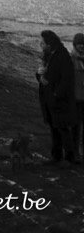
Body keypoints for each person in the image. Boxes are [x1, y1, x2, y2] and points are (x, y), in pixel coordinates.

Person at [37, 30, 79, 164]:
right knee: (54, 127)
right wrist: (39, 75)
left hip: (59, 99)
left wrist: (56, 95)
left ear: (49, 44)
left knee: (62, 128)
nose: (41, 45)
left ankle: (69, 157)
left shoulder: (62, 55)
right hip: (49, 98)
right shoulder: (48, 55)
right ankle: (57, 155)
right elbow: (44, 73)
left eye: (43, 43)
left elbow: (67, 79)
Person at [72, 33, 84, 163]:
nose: (81, 47)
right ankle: (75, 151)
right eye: (79, 44)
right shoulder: (71, 59)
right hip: (75, 98)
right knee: (75, 127)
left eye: (83, 44)